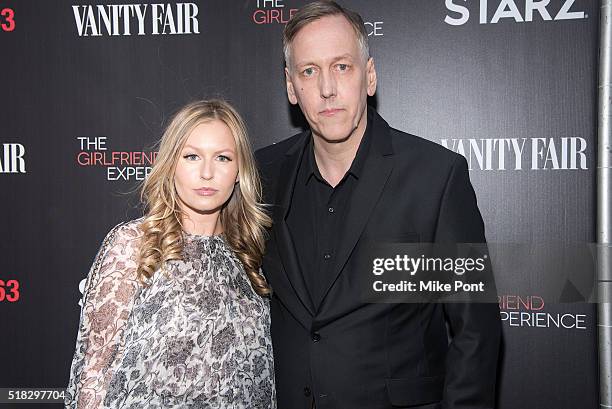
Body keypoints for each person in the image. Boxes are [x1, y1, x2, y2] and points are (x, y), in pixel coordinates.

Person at [255, 2, 501, 409]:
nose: (327, 88)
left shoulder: (436, 177)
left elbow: (476, 330)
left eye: (342, 66)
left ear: (369, 76)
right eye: (309, 71)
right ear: (290, 87)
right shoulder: (261, 174)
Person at [65, 99, 276, 408]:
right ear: (171, 164)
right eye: (191, 156)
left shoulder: (249, 254)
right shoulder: (133, 243)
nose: (207, 173)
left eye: (222, 158)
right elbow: (94, 371)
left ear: (239, 170)